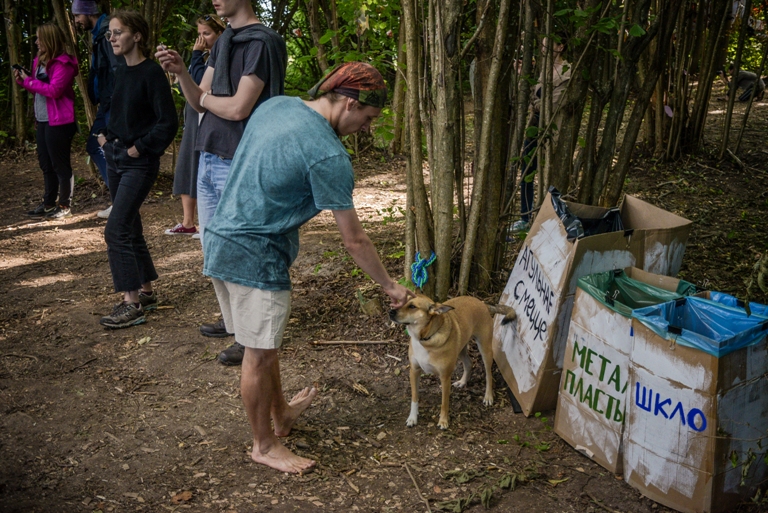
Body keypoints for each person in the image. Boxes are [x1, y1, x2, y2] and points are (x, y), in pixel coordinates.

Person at [202, 62, 413, 474]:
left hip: (221, 238)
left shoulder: (277, 105)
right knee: (257, 355)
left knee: (265, 343)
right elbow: (354, 240)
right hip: (254, 253)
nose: (366, 128)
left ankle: (280, 414)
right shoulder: (329, 155)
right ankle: (263, 445)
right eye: (367, 118)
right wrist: (389, 285)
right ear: (349, 102)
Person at [156, 0, 287, 365]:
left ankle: (252, 337)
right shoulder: (226, 39)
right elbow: (200, 102)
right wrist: (183, 72)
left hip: (240, 160)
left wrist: (209, 97)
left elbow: (239, 108)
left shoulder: (261, 42)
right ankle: (234, 324)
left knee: (243, 252)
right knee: (214, 251)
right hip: (209, 155)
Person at [97, 10, 178, 329]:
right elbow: (113, 109)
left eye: (118, 32)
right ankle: (144, 292)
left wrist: (139, 147)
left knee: (115, 228)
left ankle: (131, 305)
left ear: (137, 36)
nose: (113, 38)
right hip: (115, 157)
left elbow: (168, 123)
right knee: (128, 225)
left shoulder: (152, 73)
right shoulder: (119, 71)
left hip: (138, 162)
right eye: (110, 34)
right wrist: (104, 139)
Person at [165, 14, 226, 237]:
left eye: (206, 34)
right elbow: (188, 89)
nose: (201, 39)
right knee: (187, 164)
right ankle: (188, 221)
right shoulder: (205, 58)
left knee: (202, 166)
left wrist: (195, 55)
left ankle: (207, 221)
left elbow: (200, 85)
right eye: (199, 34)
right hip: (193, 117)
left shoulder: (216, 58)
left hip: (207, 119)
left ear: (220, 34)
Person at [15, 23, 78, 219]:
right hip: (42, 120)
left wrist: (30, 81)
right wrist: (22, 80)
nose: (36, 42)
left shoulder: (63, 64)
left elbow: (54, 90)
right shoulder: (39, 61)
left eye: (39, 38)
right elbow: (38, 89)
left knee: (60, 164)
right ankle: (49, 203)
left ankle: (65, 204)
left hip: (60, 121)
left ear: (49, 40)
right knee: (46, 164)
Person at [510, 35, 571, 234]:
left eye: (548, 45)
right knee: (527, 170)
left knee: (549, 176)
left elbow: (552, 104)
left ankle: (549, 221)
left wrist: (536, 104)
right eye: (542, 45)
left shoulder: (566, 71)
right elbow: (532, 100)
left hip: (552, 131)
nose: (543, 49)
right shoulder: (544, 71)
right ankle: (525, 217)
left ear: (560, 46)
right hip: (534, 127)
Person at [72, 0, 124, 219]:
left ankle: (121, 201)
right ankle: (120, 199)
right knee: (99, 146)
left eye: (77, 16)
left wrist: (115, 101)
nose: (75, 21)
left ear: (88, 13)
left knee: (100, 146)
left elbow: (116, 69)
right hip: (108, 100)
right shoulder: (99, 32)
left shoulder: (105, 33)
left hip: (113, 101)